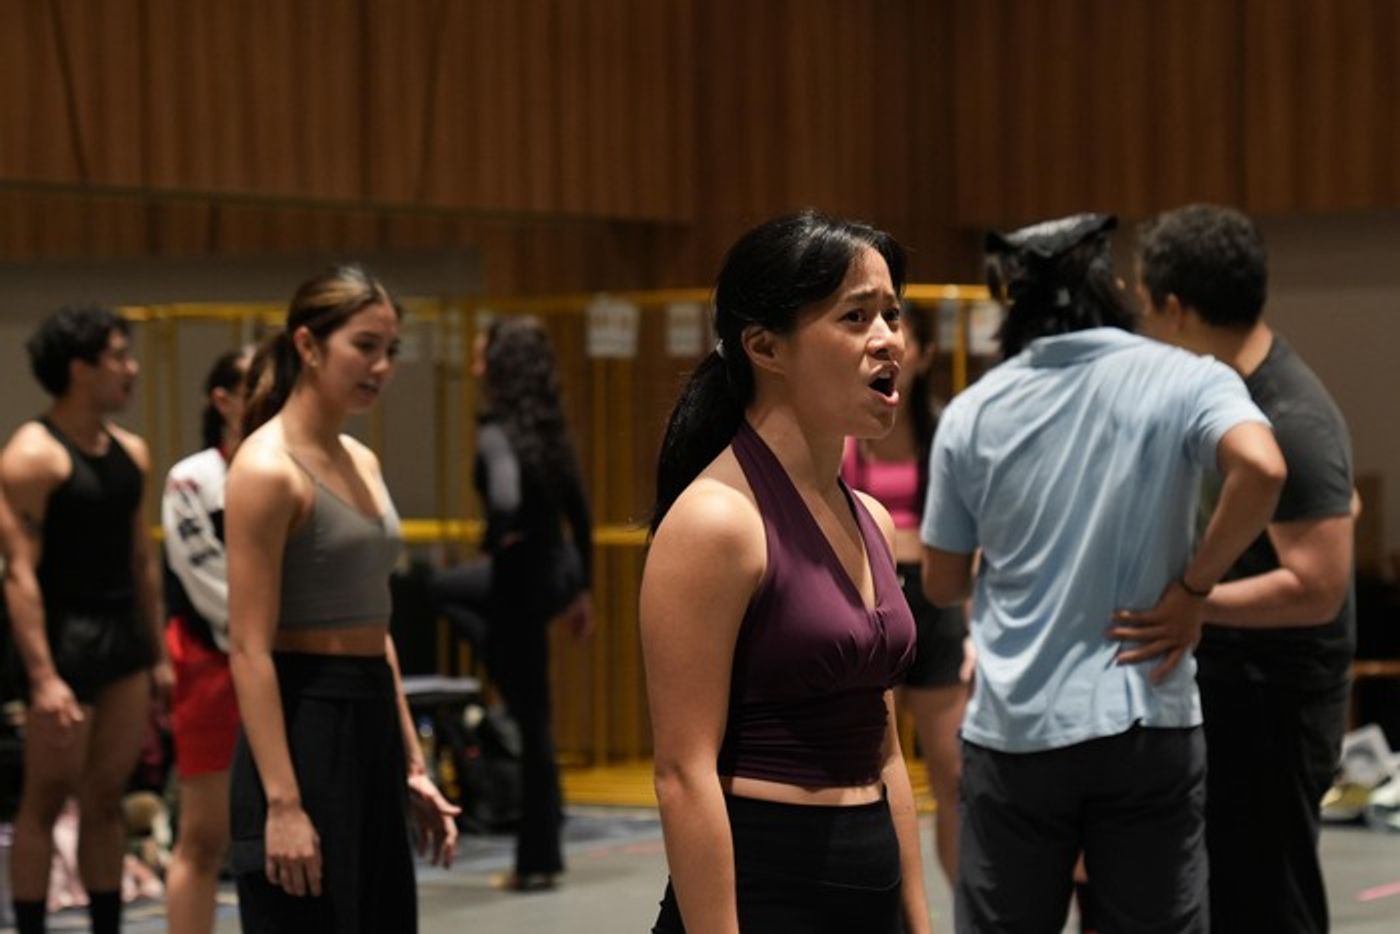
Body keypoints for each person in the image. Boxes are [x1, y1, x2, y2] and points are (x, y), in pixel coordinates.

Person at [921, 213, 1287, 933]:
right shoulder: (1187, 378)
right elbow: (1264, 465)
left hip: (1016, 729)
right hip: (1146, 714)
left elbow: (942, 585)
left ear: (1013, 302)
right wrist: (1194, 588)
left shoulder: (972, 412)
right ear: (1115, 287)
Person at [641, 210, 931, 933]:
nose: (886, 339)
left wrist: (918, 920)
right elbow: (683, 774)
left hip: (868, 885)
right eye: (855, 316)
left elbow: (885, 748)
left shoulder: (869, 516)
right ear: (766, 346)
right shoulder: (716, 521)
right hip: (766, 889)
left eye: (892, 314)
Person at [1132, 204, 1356, 934]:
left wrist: (1195, 600)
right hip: (1241, 683)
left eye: (1143, 299)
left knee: (1269, 894)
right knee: (1231, 888)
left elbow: (1318, 586)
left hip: (1277, 696)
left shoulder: (1290, 413)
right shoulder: (1228, 392)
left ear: (1175, 308)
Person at [224, 264, 458, 932]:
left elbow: (375, 623)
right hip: (303, 722)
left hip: (369, 722)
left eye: (392, 351)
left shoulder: (364, 460)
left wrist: (412, 761)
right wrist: (284, 804)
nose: (381, 366)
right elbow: (247, 649)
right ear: (308, 345)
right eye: (364, 346)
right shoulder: (266, 470)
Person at [2, 305, 171, 934]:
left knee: (106, 797)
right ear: (80, 370)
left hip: (120, 636)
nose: (131, 370)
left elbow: (139, 561)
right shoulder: (31, 457)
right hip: (63, 642)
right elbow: (19, 574)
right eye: (119, 357)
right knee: (45, 800)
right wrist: (43, 677)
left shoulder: (132, 453)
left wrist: (156, 654)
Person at [430, 315, 594, 890]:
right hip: (551, 577)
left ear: (498, 364)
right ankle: (541, 855)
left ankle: (535, 860)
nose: (474, 360)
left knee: (433, 586)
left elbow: (503, 494)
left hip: (517, 580)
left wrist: (496, 535)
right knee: (536, 715)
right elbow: (582, 517)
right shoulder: (550, 429)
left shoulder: (498, 430)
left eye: (481, 351)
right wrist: (583, 591)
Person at [840, 302, 970, 888]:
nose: (890, 345)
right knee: (876, 762)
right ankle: (889, 900)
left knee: (955, 772)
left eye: (901, 333)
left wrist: (975, 626)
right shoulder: (850, 436)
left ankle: (969, 911)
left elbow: (971, 536)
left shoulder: (943, 431)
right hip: (872, 597)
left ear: (926, 354)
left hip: (938, 601)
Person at [161, 348, 251, 934]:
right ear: (223, 400)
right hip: (215, 665)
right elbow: (208, 581)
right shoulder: (193, 479)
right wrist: (268, 633)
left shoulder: (299, 466)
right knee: (205, 835)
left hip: (291, 661)